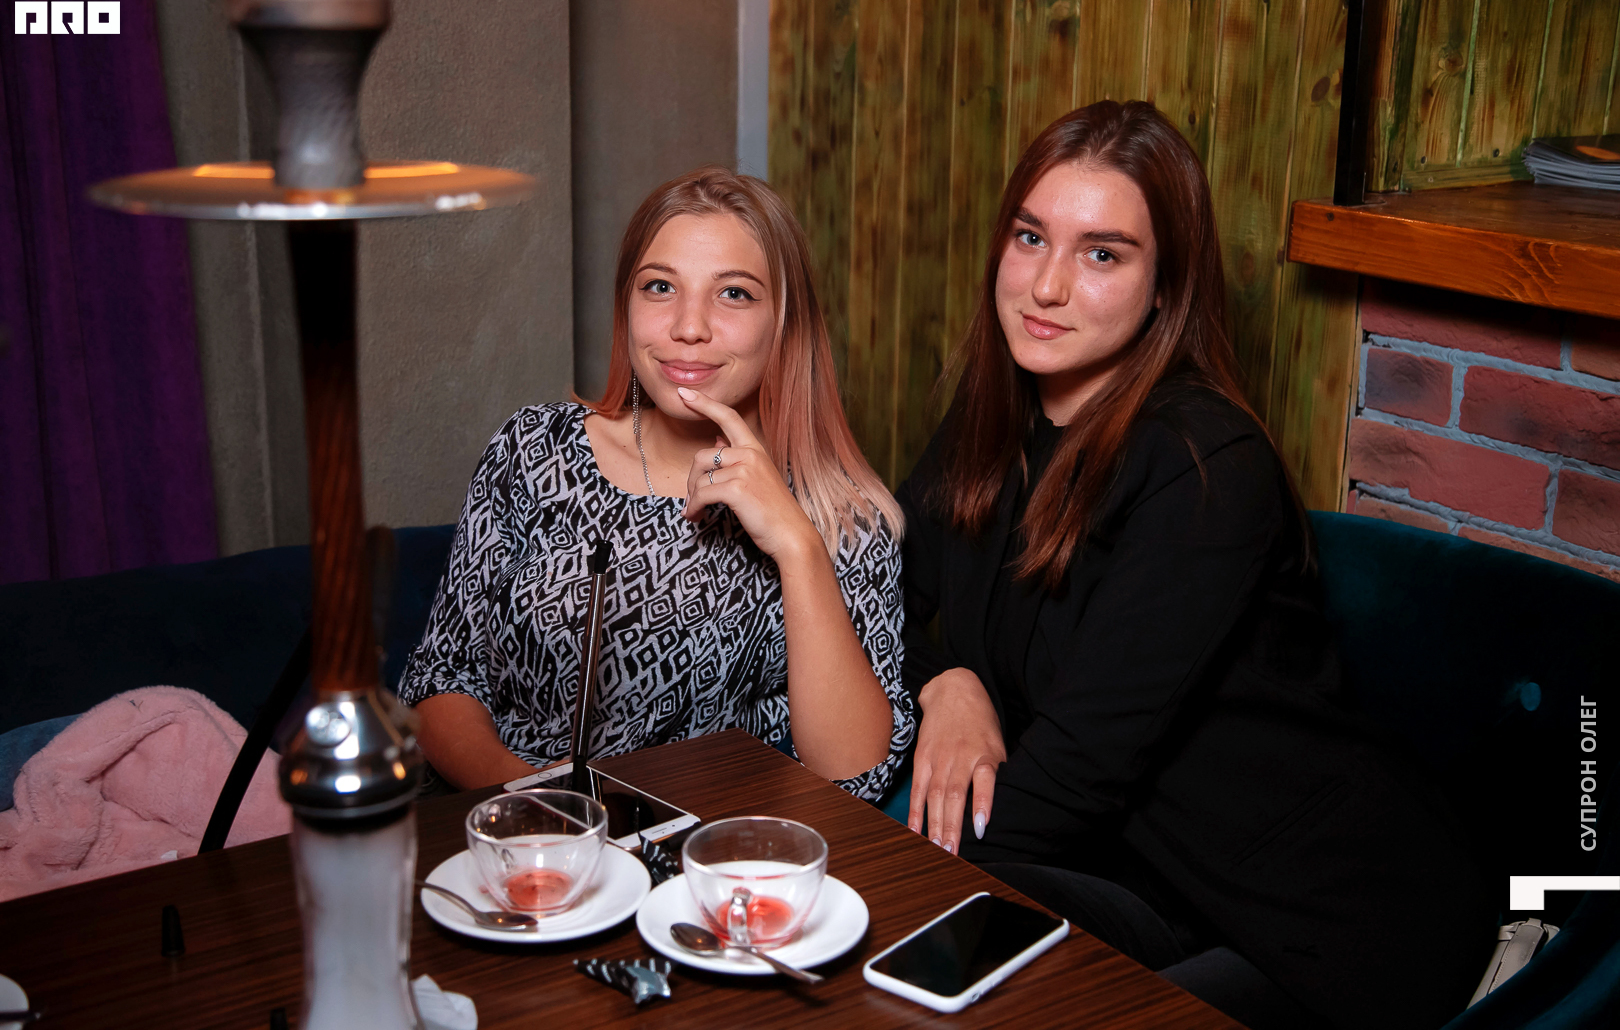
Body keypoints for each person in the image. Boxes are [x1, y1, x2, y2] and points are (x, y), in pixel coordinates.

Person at [897, 101, 1494, 1030]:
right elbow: (872, 599)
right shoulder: (991, 421)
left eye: (1102, 255)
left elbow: (1077, 772)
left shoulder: (1203, 465)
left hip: (1320, 915)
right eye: (1030, 237)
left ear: (1164, 288)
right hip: (1148, 882)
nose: (1046, 286)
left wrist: (878, 874)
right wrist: (948, 682)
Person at [398, 166, 912, 803]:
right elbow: (442, 676)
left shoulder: (844, 517)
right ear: (627, 307)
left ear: (786, 322)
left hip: (688, 844)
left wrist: (797, 545)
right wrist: (538, 810)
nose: (688, 327)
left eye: (734, 294)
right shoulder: (533, 450)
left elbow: (857, 775)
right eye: (660, 287)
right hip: (503, 819)